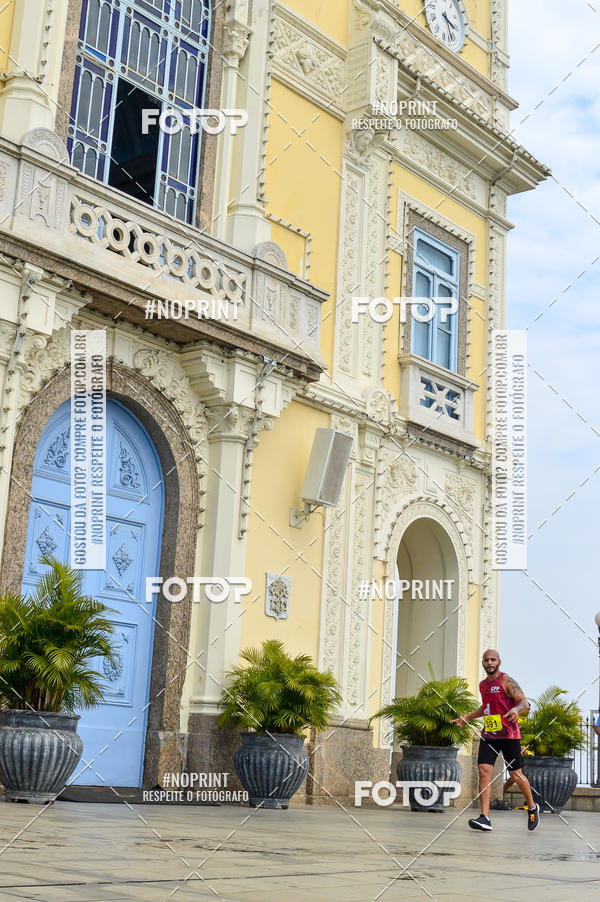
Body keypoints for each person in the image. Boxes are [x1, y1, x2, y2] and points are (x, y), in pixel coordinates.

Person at [451, 649, 540, 831]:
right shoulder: (483, 685)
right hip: (489, 735)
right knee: (484, 771)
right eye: (486, 660)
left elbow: (524, 702)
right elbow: (486, 707)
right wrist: (467, 717)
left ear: (499, 662)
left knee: (516, 775)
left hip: (509, 735)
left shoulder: (506, 681)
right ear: (482, 663)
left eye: (493, 660)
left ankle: (532, 807)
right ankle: (485, 818)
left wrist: (516, 710)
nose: (489, 663)